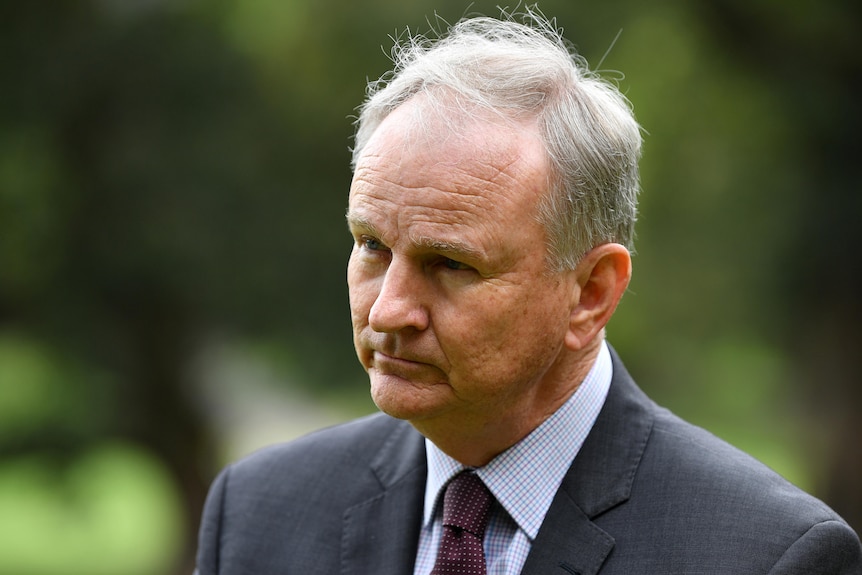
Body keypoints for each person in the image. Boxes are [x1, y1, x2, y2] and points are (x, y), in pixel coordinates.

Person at [194, 9, 862, 575]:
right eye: (371, 245)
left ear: (591, 293)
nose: (389, 309)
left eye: (451, 264)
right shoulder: (257, 514)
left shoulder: (766, 555)